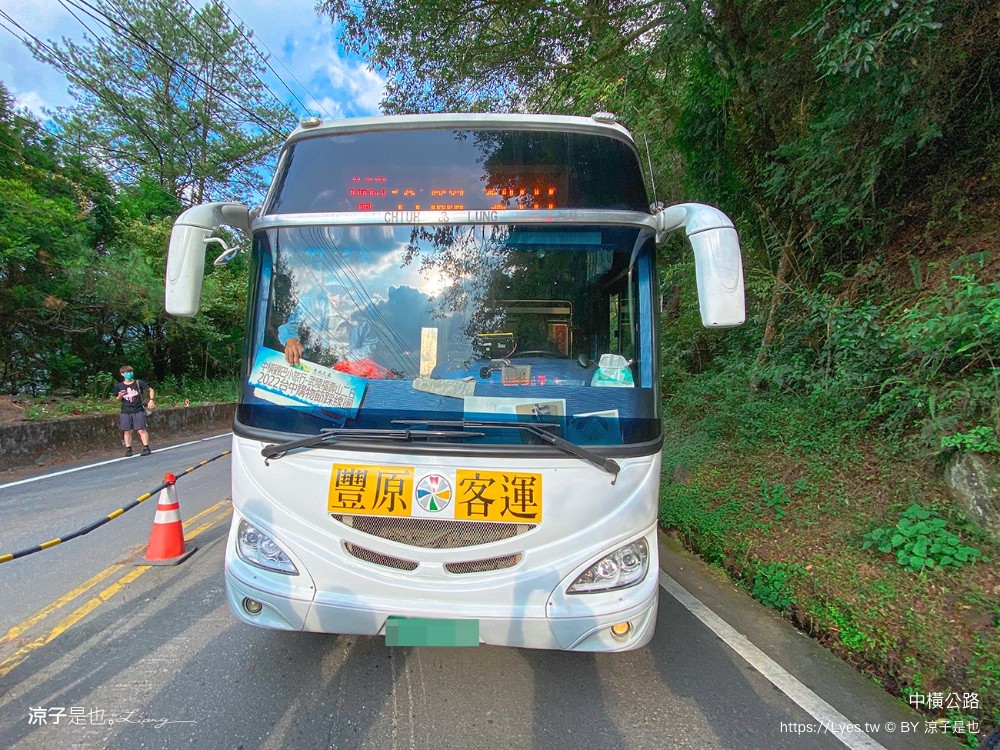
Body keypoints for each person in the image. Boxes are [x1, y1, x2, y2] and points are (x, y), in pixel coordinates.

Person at [277, 283, 381, 373]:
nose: (338, 298)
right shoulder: (312, 304)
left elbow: (371, 344)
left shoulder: (362, 313)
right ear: (325, 289)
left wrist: (350, 361)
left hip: (348, 374)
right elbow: (293, 325)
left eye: (344, 292)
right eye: (333, 291)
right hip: (311, 366)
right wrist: (291, 340)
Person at [113, 365, 155, 456]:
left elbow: (150, 389)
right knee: (127, 430)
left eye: (130, 372)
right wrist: (120, 395)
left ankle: (146, 447)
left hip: (138, 409)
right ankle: (128, 449)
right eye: (127, 372)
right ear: (122, 374)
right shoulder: (119, 386)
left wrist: (151, 400)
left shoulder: (138, 383)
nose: (129, 374)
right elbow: (117, 399)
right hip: (125, 411)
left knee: (141, 429)